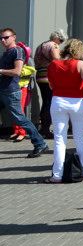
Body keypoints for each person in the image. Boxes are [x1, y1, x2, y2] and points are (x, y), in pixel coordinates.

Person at [44, 38, 83, 183]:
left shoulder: (53, 64)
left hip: (59, 101)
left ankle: (57, 175)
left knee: (60, 139)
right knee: (79, 138)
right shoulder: (79, 64)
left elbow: (51, 86)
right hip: (78, 102)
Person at [0, 29, 49, 158]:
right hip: (4, 90)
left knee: (20, 119)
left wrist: (1, 70)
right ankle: (40, 143)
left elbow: (17, 71)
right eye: (1, 38)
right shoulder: (7, 53)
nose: (3, 40)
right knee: (19, 119)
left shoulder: (17, 51)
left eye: (6, 37)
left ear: (14, 37)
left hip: (11, 91)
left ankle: (40, 143)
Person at [34, 29, 66, 139]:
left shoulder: (41, 45)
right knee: (49, 101)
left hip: (39, 75)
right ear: (56, 38)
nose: (61, 43)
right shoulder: (53, 45)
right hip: (48, 75)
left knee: (45, 101)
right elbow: (57, 60)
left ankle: (44, 127)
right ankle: (45, 128)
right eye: (61, 40)